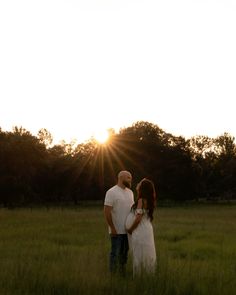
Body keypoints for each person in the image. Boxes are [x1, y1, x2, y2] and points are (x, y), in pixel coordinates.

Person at [104, 170, 134, 275]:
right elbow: (106, 211)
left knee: (124, 254)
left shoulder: (130, 192)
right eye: (128, 178)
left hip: (128, 230)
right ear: (121, 178)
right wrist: (112, 227)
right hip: (116, 230)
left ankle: (122, 273)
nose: (131, 180)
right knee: (115, 254)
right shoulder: (111, 192)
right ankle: (113, 274)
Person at [125, 178, 157, 276]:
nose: (137, 184)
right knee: (146, 253)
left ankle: (139, 277)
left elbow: (138, 219)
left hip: (140, 231)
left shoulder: (141, 201)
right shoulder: (148, 200)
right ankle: (148, 275)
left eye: (140, 183)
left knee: (138, 253)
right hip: (146, 229)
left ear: (142, 188)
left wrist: (130, 229)